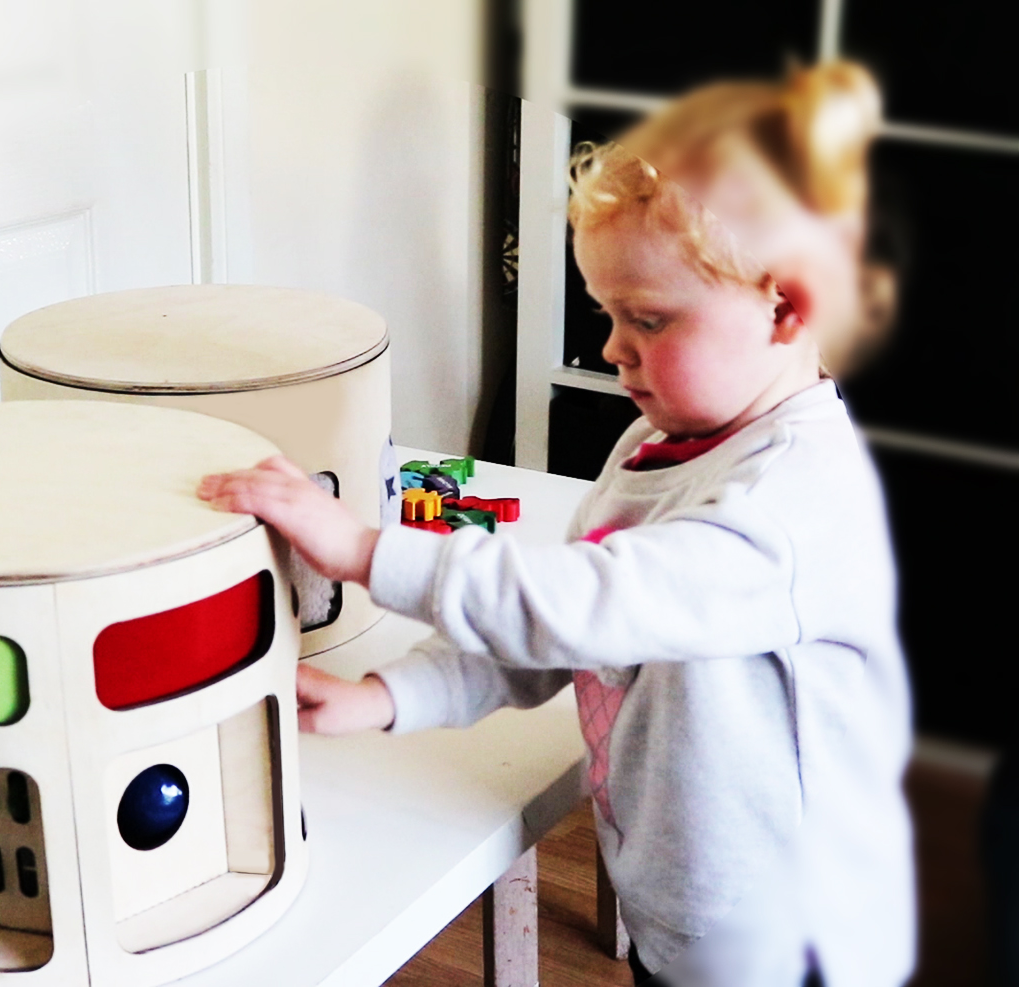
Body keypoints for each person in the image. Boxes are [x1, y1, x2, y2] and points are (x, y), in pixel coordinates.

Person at [198, 62, 913, 987]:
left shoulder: (790, 502)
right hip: (685, 908)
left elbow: (593, 601)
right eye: (607, 314)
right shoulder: (657, 441)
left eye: (647, 319)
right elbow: (559, 630)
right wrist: (392, 694)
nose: (614, 347)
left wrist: (367, 551)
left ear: (785, 308)